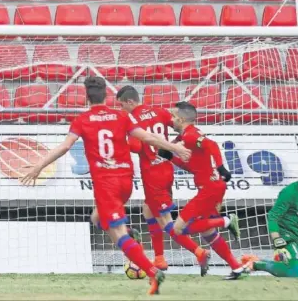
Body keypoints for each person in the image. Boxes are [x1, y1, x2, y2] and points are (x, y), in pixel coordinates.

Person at [20, 77, 192, 295]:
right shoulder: (122, 116)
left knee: (116, 232)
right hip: (126, 181)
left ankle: (151, 270)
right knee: (96, 218)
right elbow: (148, 137)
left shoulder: (83, 119)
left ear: (86, 97)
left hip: (106, 182)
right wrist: (174, 148)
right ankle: (131, 235)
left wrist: (38, 166)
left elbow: (64, 147)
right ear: (106, 96)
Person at [116, 86, 211, 275]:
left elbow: (135, 147)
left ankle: (199, 251)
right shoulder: (159, 111)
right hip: (166, 169)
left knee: (167, 222)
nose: (121, 109)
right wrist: (176, 143)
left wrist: (120, 141)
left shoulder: (132, 119)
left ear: (130, 102)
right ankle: (159, 259)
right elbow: (180, 125)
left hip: (153, 175)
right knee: (148, 211)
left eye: (121, 105)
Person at [157, 101, 245, 280]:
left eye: (173, 117)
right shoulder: (185, 137)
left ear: (181, 119)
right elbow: (193, 167)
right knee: (207, 232)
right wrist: (171, 157)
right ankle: (236, 268)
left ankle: (226, 221)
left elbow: (211, 145)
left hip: (209, 189)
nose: (171, 120)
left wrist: (221, 167)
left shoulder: (190, 136)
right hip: (213, 187)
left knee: (179, 229)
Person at [242, 163, 298, 277]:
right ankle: (256, 264)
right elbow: (273, 216)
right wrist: (277, 239)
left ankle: (256, 260)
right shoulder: (289, 193)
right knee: (297, 272)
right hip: (285, 235)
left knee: (294, 269)